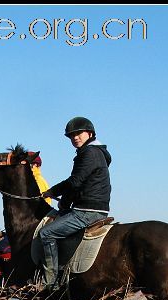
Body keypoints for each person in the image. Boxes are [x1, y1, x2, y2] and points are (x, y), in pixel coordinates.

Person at [38, 117, 112, 290]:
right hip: (93, 206)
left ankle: (50, 281)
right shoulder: (95, 153)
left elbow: (75, 182)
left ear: (90, 133)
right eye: (71, 136)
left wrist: (52, 192)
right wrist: (65, 201)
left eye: (78, 134)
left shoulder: (90, 153)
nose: (75, 138)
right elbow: (77, 183)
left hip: (87, 210)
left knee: (46, 233)